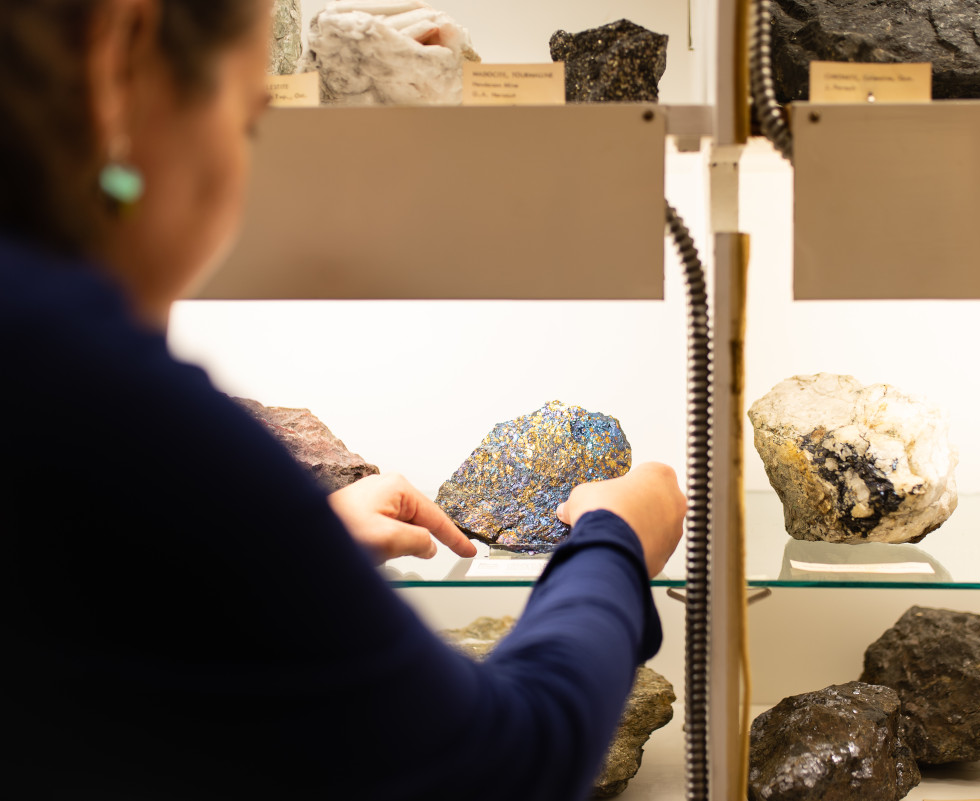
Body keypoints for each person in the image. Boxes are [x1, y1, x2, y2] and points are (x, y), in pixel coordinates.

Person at [0, 2, 686, 798]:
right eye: (252, 115)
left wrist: (279, 547)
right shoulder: (101, 398)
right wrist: (615, 544)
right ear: (124, 52)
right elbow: (500, 761)